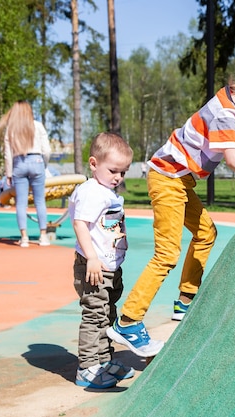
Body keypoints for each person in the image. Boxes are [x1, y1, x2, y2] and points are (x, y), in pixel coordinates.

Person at [107, 69, 235, 356]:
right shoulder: (226, 114)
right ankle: (129, 321)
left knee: (206, 233)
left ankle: (185, 300)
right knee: (167, 254)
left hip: (179, 181)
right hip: (167, 178)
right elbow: (234, 160)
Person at [69, 132, 158, 389]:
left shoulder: (106, 191)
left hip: (109, 266)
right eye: (113, 171)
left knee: (108, 314)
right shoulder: (91, 192)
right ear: (94, 163)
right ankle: (87, 367)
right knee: (95, 315)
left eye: (123, 172)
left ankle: (104, 361)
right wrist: (92, 258)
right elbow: (80, 224)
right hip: (94, 267)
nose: (118, 177)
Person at [0, 100, 51, 247]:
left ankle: (24, 237)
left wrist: (8, 173)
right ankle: (43, 236)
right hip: (37, 160)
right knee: (40, 201)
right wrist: (43, 165)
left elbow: (7, 154)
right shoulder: (38, 126)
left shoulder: (11, 129)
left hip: (19, 163)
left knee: (21, 203)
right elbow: (47, 150)